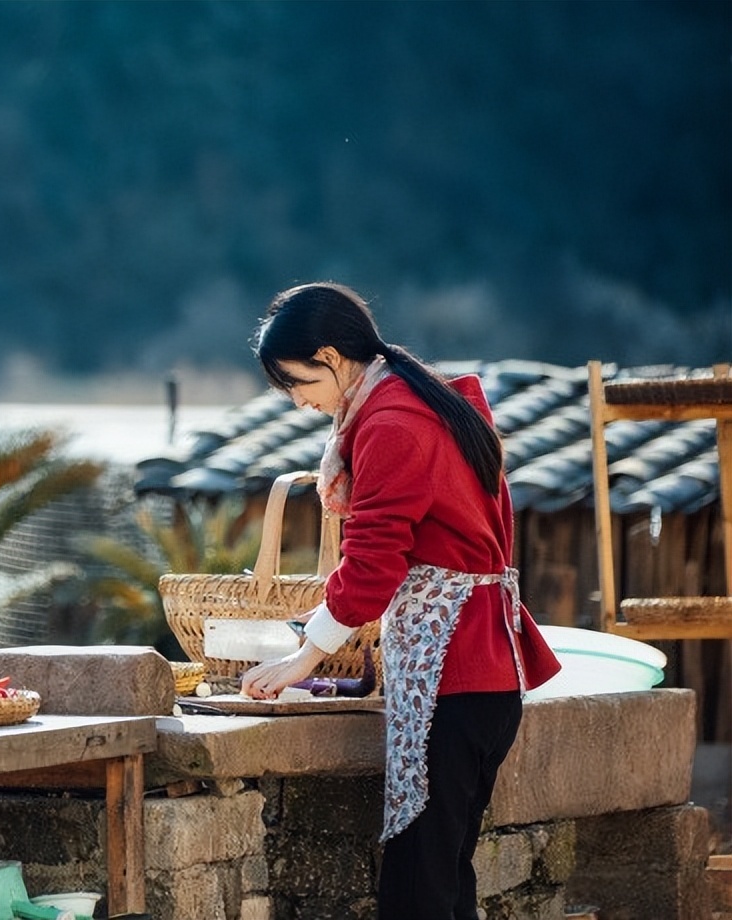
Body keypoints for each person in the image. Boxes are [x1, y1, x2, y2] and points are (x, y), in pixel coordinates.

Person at [239, 282, 561, 920]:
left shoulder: (391, 423)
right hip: (490, 673)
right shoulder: (426, 401)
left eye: (296, 381)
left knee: (418, 888)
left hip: (455, 673)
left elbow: (373, 563)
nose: (297, 400)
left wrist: (305, 658)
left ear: (330, 356)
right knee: (444, 881)